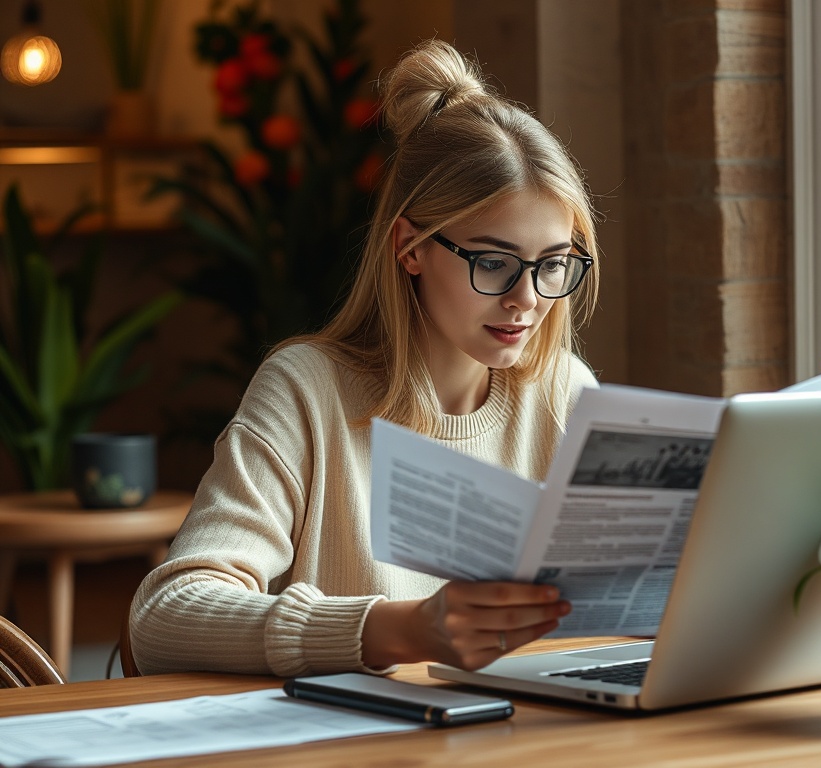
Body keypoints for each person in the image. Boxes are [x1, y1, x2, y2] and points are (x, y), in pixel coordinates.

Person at [128, 39, 602, 677]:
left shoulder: (564, 395)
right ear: (410, 247)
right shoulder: (307, 391)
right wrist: (399, 630)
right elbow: (166, 614)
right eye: (493, 263)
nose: (527, 298)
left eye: (552, 265)